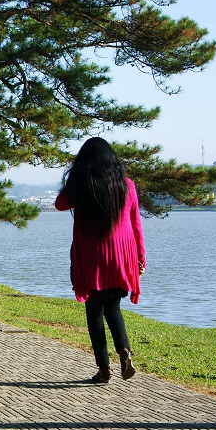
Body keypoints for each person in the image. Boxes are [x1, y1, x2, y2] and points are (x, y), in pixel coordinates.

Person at [55, 137, 145, 384]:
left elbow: (59, 204)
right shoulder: (127, 186)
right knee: (113, 307)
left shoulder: (82, 186)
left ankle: (104, 369)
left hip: (92, 254)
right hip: (121, 254)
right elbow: (136, 224)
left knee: (94, 309)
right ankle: (124, 351)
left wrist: (75, 176)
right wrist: (140, 257)